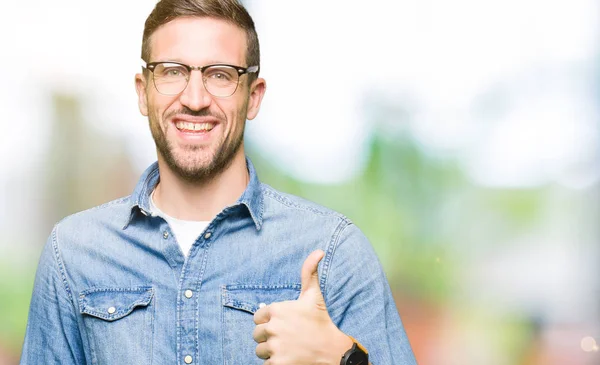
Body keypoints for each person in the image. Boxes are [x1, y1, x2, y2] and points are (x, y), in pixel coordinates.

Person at [20, 0, 417, 364]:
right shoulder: (73, 254)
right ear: (143, 93)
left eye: (220, 75)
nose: (195, 98)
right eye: (172, 71)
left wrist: (343, 359)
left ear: (254, 96)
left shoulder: (332, 252)